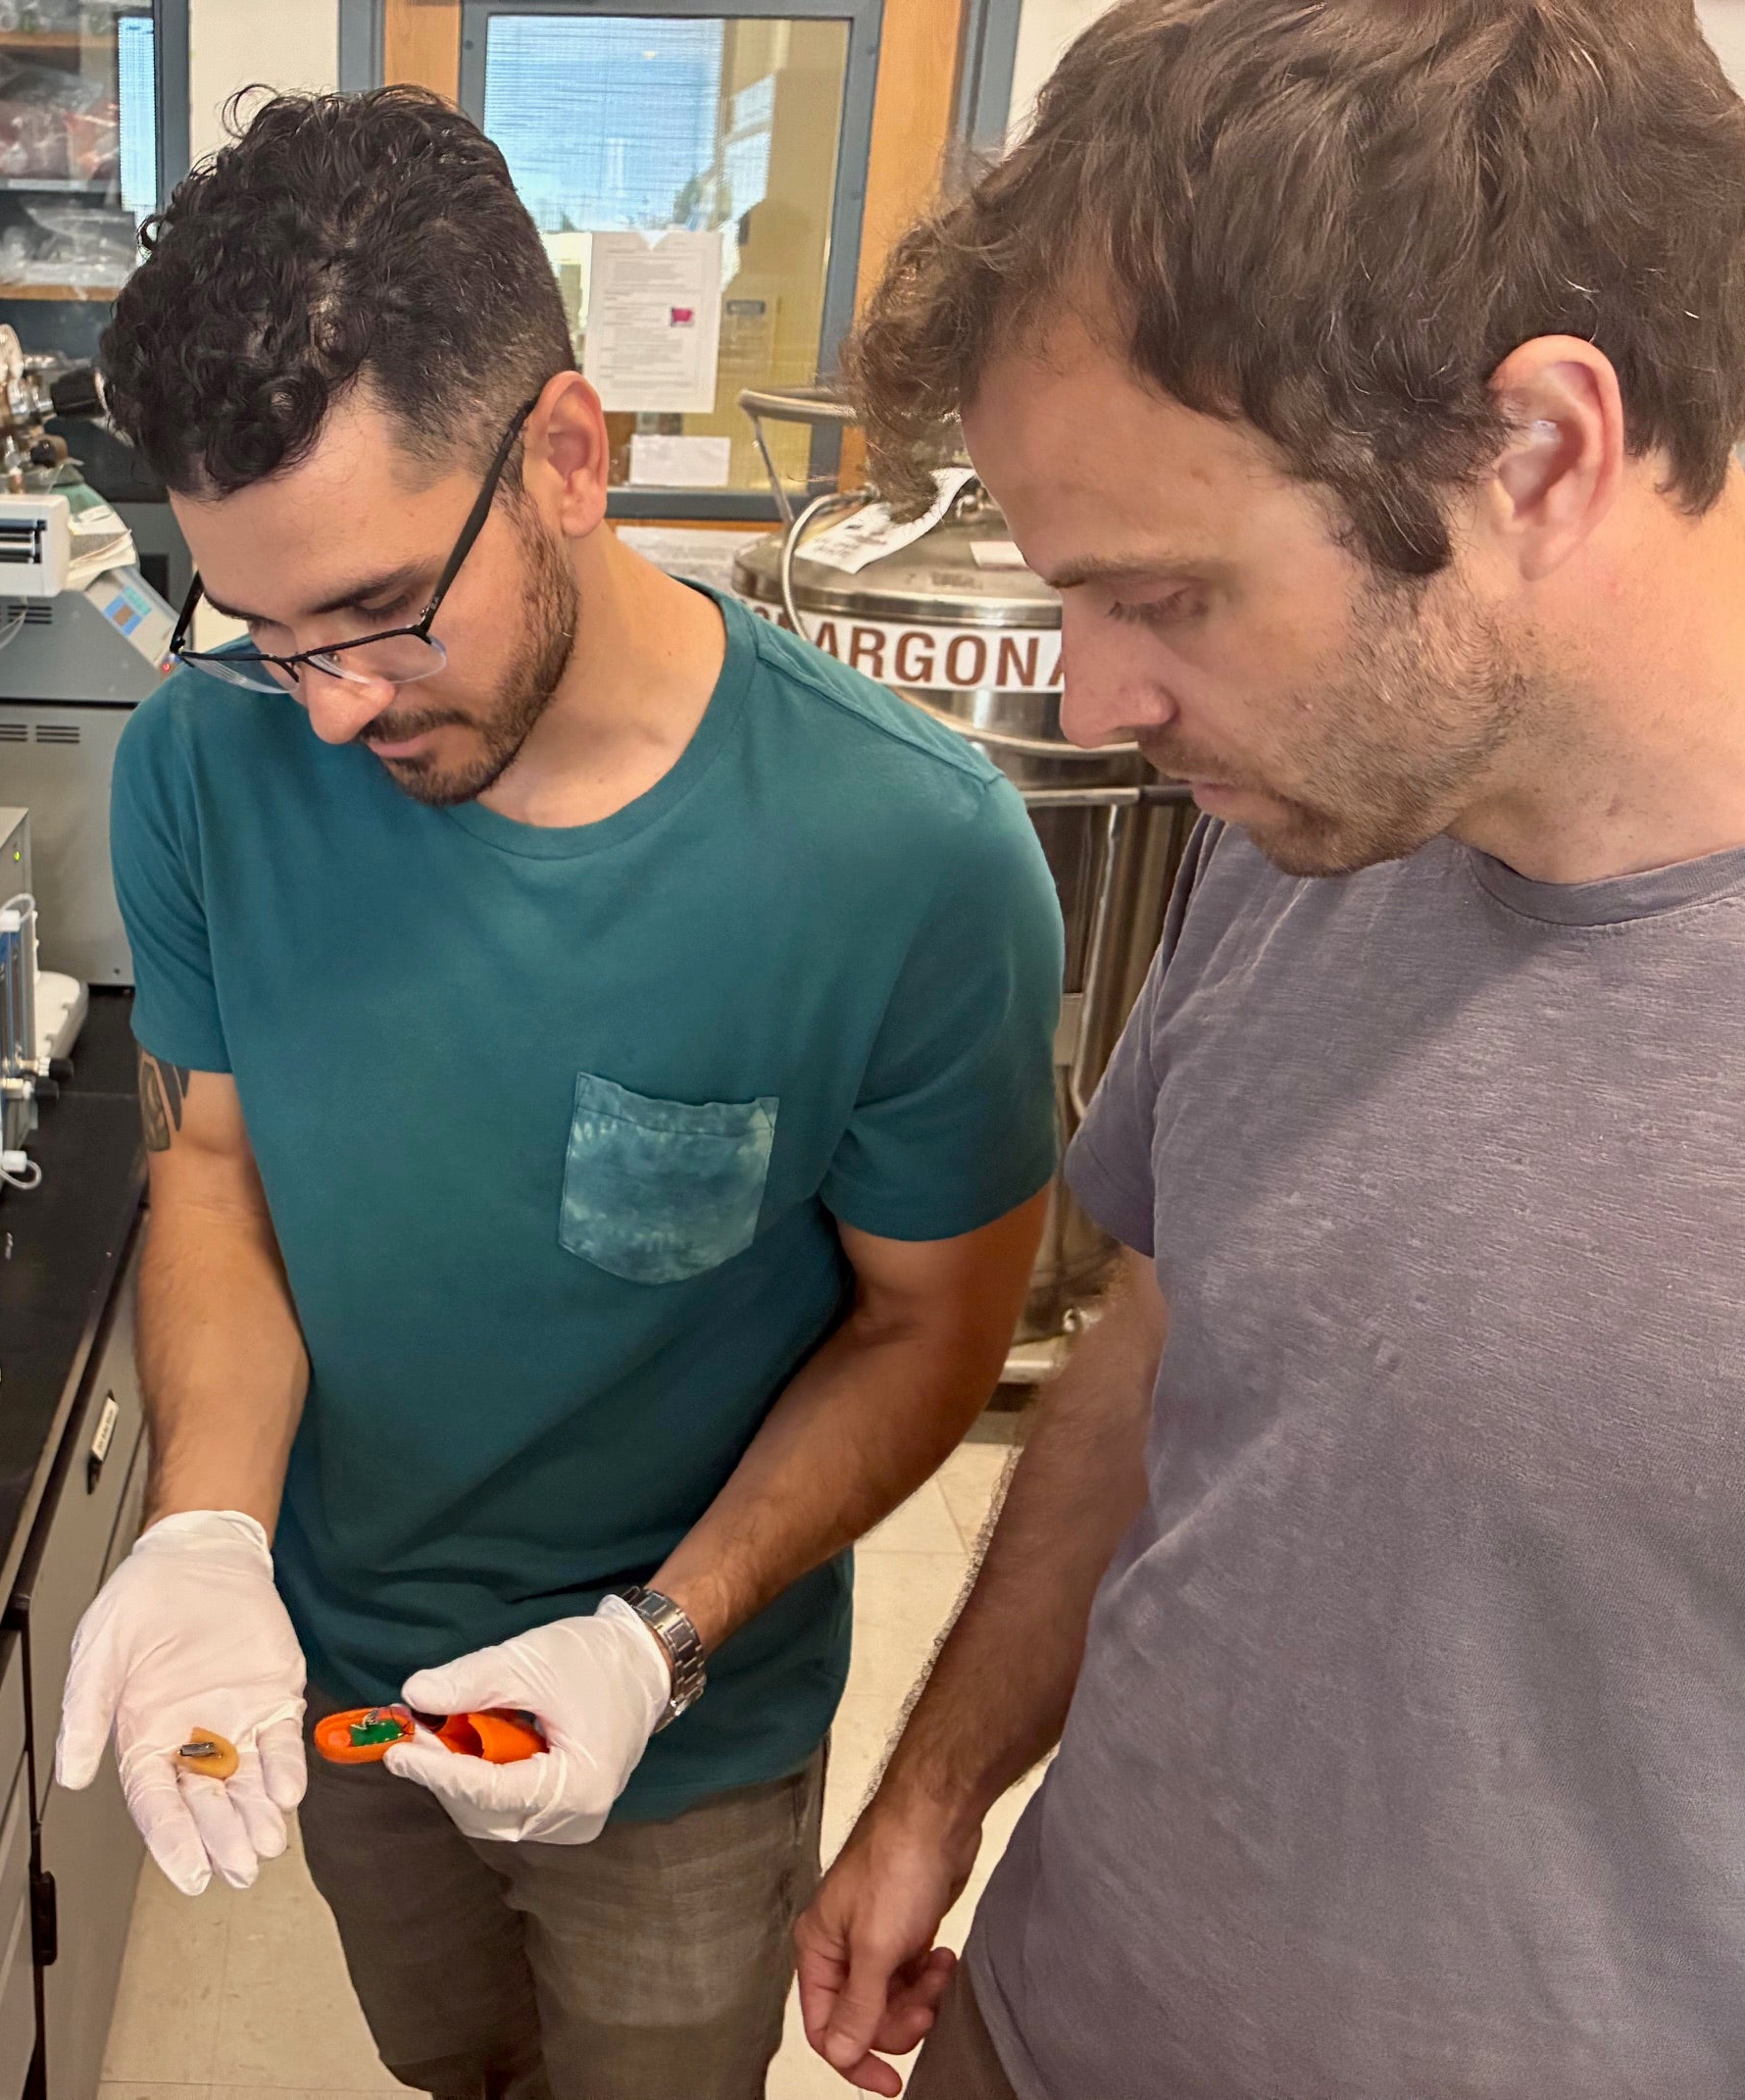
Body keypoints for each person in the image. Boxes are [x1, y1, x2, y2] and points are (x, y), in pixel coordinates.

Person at [49, 87, 1065, 2100]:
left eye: (376, 615)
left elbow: (930, 1324)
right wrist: (204, 1539)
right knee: (454, 2067)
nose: (327, 708)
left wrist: (655, 1640)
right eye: (263, 636)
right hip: (340, 1666)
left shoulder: (907, 854)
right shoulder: (200, 765)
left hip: (684, 1734)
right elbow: (220, 1179)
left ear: (569, 461)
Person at [792, 3, 1745, 2095]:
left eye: (1171, 596)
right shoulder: (1319, 819)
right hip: (1047, 2026)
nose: (1104, 694)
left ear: (1541, 456)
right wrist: (944, 1786)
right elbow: (1167, 1318)